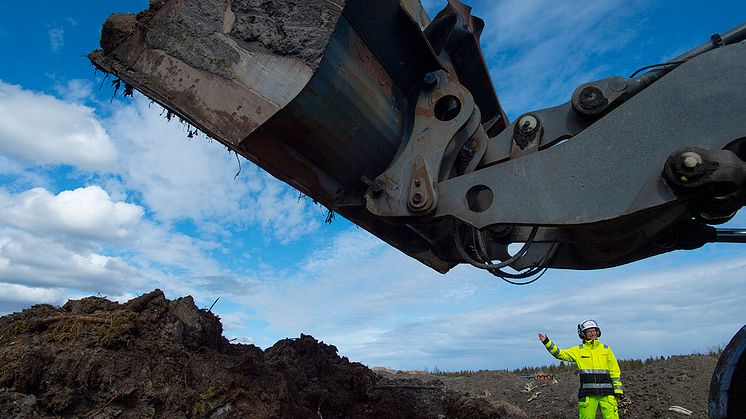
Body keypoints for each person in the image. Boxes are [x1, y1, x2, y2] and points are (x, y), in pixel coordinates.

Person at [538, 319, 623, 419]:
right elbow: (560, 354)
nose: (592, 333)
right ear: (583, 334)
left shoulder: (606, 350)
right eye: (589, 331)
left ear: (598, 332)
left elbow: (614, 371)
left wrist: (618, 390)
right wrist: (547, 342)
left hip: (607, 395)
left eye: (594, 330)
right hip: (588, 396)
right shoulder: (578, 350)